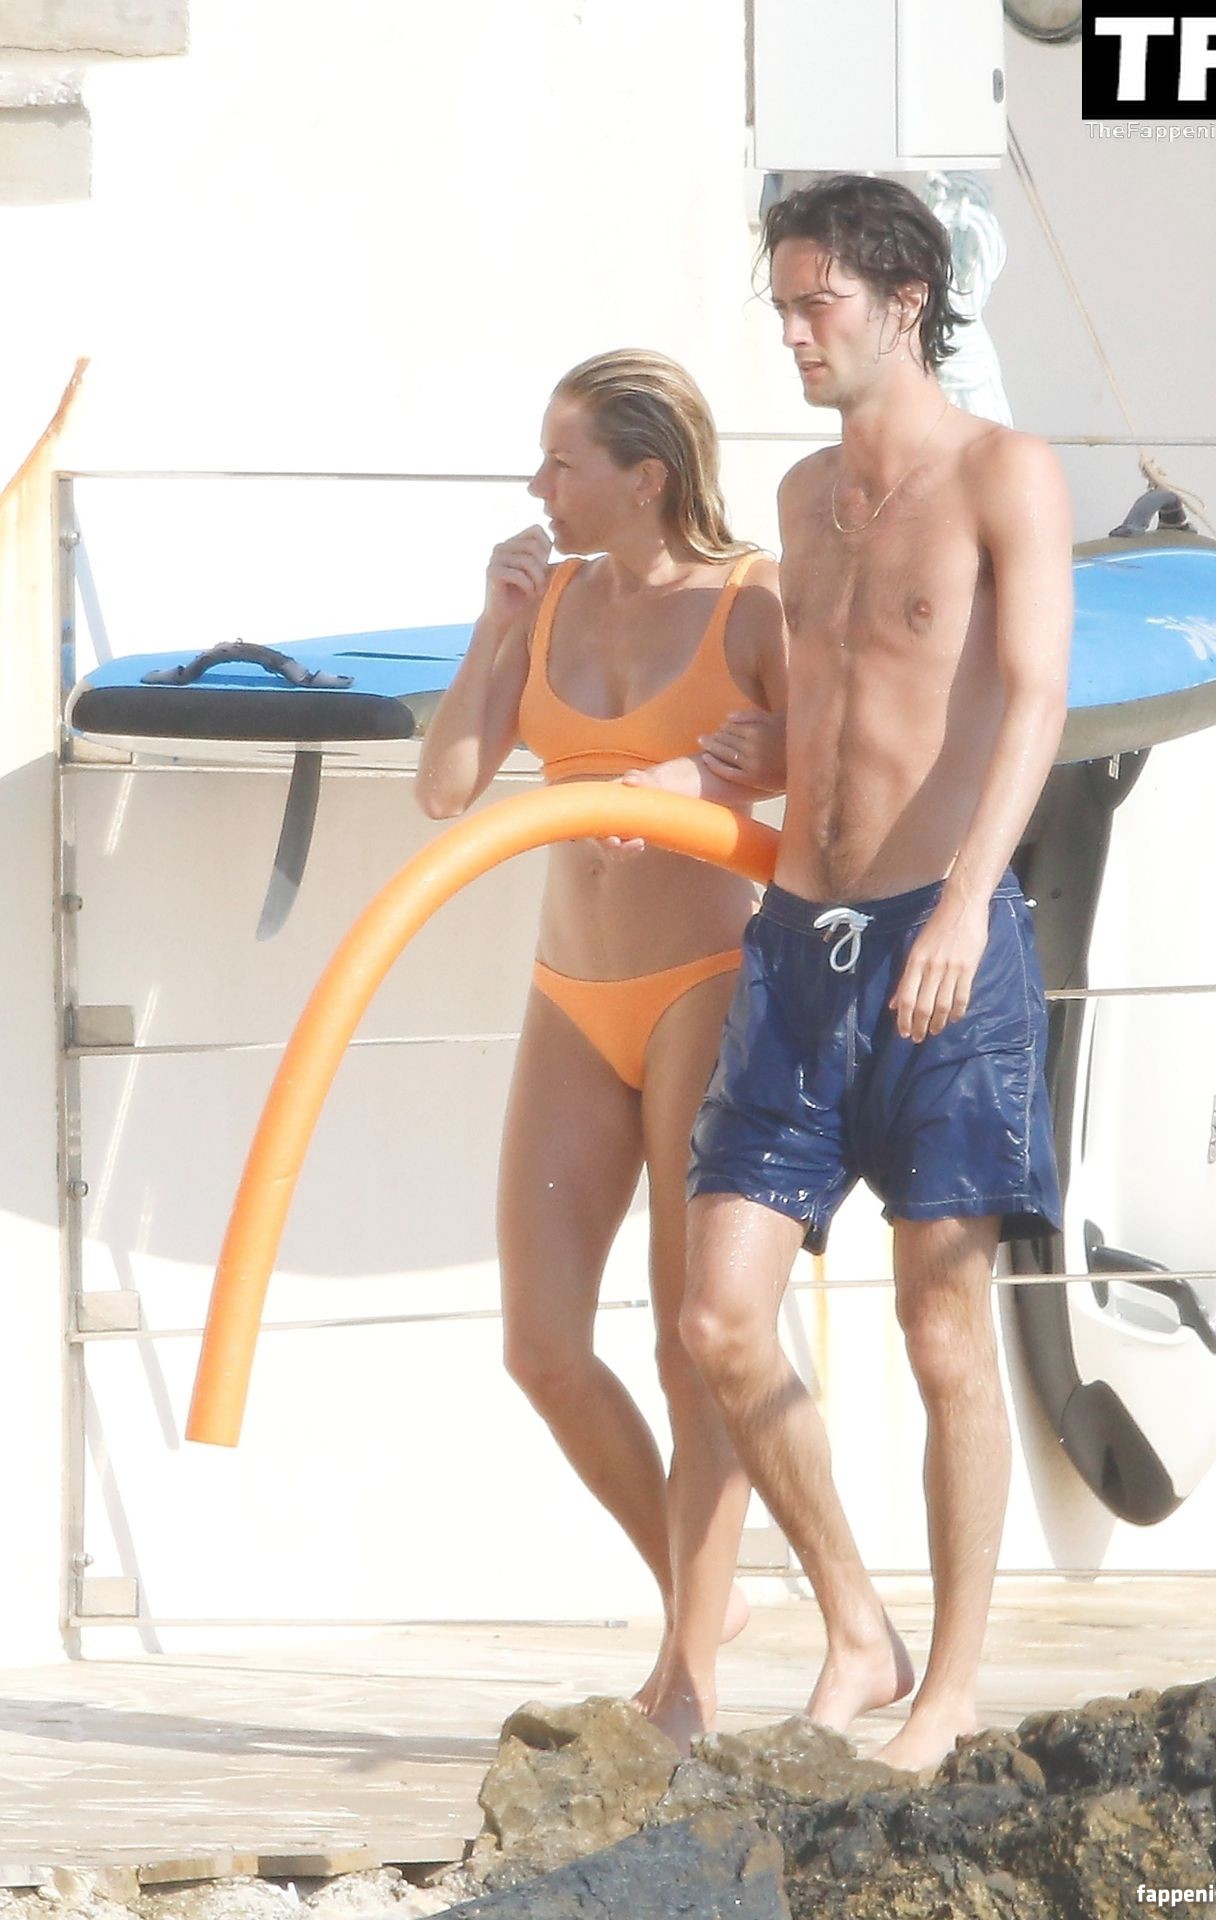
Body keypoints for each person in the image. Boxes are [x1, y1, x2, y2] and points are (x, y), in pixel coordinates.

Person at [680, 174, 1072, 1772]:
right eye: (782, 306)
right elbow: (843, 700)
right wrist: (765, 749)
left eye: (816, 303)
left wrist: (971, 904)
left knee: (940, 1329)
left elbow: (1034, 696)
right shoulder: (795, 498)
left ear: (905, 301)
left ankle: (952, 1687)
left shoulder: (1002, 471)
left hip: (944, 939)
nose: (792, 333)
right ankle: (858, 1624)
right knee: (719, 1316)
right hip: (797, 946)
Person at [414, 350, 787, 1749]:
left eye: (561, 462)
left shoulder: (752, 599)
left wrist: (693, 778)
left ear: (647, 476)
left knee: (696, 1346)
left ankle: (687, 1677)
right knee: (543, 1346)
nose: (537, 485)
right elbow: (446, 788)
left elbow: (828, 757)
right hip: (572, 990)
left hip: (707, 979)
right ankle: (703, 1598)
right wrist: (495, 626)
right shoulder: (554, 594)